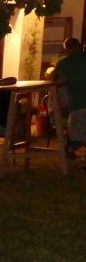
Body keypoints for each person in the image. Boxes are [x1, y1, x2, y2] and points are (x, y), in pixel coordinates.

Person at [51, 38, 86, 171]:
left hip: (79, 104)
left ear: (65, 49)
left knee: (75, 133)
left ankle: (71, 150)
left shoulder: (62, 63)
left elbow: (53, 78)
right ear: (79, 46)